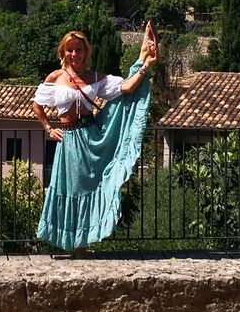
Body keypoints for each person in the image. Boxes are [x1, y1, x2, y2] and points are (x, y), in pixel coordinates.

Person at [32, 22, 158, 258]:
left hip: (91, 138)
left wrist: (145, 64)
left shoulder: (95, 78)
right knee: (71, 190)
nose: (74, 54)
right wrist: (48, 128)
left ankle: (81, 248)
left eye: (79, 50)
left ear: (85, 52)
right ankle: (74, 245)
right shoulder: (56, 77)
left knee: (88, 189)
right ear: (63, 52)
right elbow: (37, 105)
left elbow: (127, 88)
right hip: (68, 140)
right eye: (70, 50)